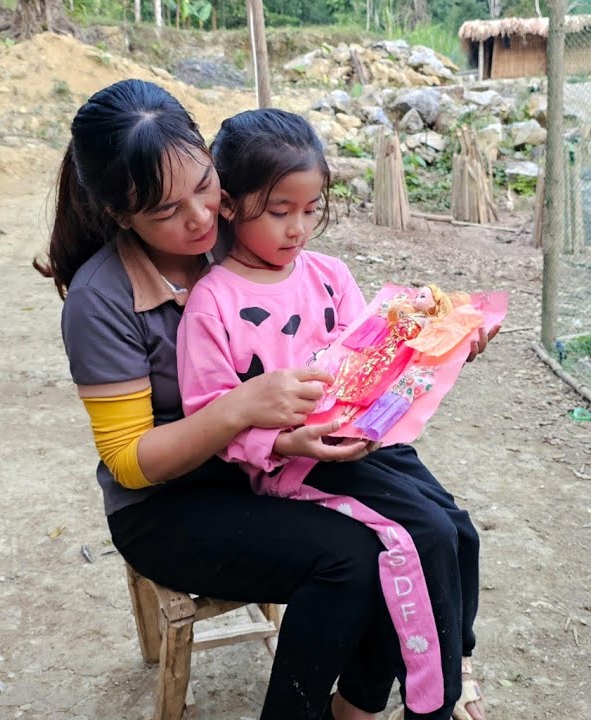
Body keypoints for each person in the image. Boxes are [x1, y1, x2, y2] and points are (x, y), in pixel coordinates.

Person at [35, 80, 488, 720]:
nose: (197, 218)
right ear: (119, 213)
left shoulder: (246, 230)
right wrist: (242, 410)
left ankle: (357, 703)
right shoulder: (100, 300)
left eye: (203, 185)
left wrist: (437, 335)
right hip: (171, 502)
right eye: (165, 210)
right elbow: (131, 461)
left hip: (276, 464)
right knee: (352, 562)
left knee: (420, 530)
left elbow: (340, 337)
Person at [176, 108, 490, 720]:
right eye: (279, 210)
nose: (298, 228)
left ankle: (398, 686)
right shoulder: (213, 303)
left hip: (368, 446)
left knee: (457, 528)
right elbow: (210, 413)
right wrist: (286, 445)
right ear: (232, 205)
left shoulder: (329, 275)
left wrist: (440, 337)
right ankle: (435, 700)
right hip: (298, 466)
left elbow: (372, 355)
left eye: (311, 208)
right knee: (418, 538)